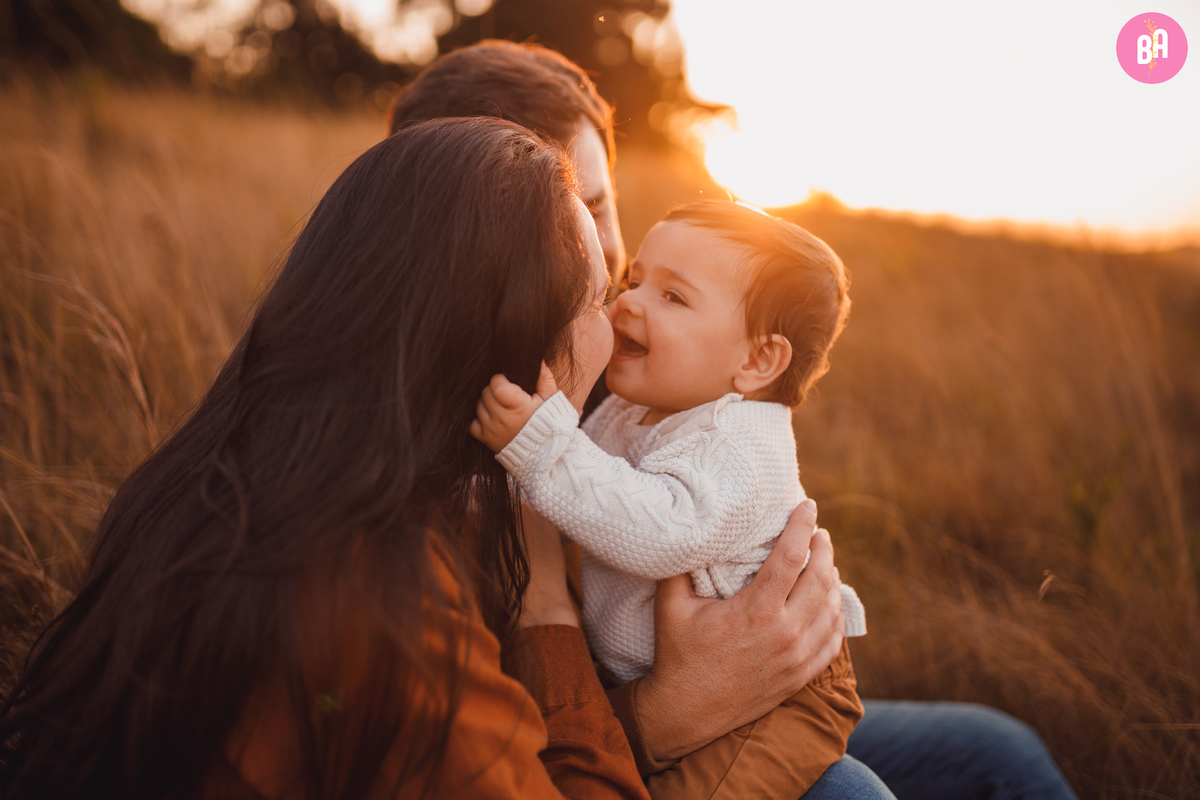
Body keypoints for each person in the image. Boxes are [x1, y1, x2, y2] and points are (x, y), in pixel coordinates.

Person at [388, 40, 1079, 800]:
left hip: (755, 680)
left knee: (992, 753)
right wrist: (667, 710)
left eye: (599, 207)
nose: (601, 266)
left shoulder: (634, 363)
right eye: (554, 220)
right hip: (615, 724)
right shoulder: (409, 445)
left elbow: (692, 496)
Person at [0, 117, 719, 798]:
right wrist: (551, 610)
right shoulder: (381, 602)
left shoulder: (219, 483)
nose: (622, 320)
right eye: (597, 299)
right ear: (510, 351)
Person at [472, 200, 868, 800]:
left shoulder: (740, 443)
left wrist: (541, 445)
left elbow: (660, 531)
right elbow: (590, 488)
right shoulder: (645, 402)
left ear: (758, 359)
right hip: (686, 674)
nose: (629, 301)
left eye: (673, 297)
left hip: (783, 694)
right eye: (635, 280)